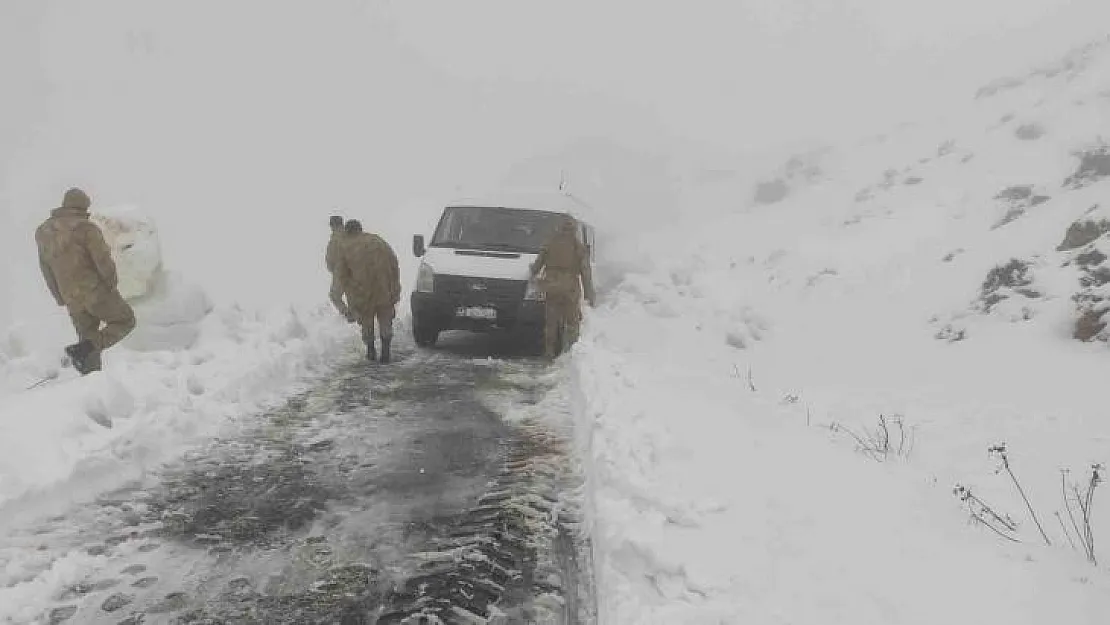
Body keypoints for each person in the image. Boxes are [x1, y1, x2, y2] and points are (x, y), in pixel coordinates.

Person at [35, 187, 136, 374]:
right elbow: (102, 259)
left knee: (86, 337)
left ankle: (90, 381)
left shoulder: (43, 232)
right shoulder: (86, 228)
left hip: (70, 297)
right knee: (126, 321)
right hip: (94, 291)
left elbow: (46, 268)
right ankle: (87, 350)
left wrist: (59, 297)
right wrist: (111, 283)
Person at [333, 219, 401, 363]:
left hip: (363, 294)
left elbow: (341, 275)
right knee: (385, 321)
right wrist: (395, 289)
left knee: (367, 324)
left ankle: (371, 351)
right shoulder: (379, 241)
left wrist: (345, 301)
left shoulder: (346, 247)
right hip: (384, 290)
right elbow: (394, 264)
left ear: (348, 231)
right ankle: (386, 352)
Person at [530, 215, 595, 359]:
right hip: (570, 287)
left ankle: (549, 351)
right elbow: (585, 272)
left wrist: (534, 273)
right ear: (574, 229)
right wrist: (589, 295)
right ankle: (570, 353)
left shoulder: (550, 243)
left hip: (551, 286)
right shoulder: (578, 246)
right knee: (572, 321)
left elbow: (536, 266)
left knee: (551, 321)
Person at [325, 214, 351, 319]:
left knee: (334, 296)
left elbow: (329, 261)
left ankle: (348, 314)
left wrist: (334, 270)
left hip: (341, 272)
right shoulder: (352, 235)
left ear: (332, 226)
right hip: (359, 271)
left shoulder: (334, 240)